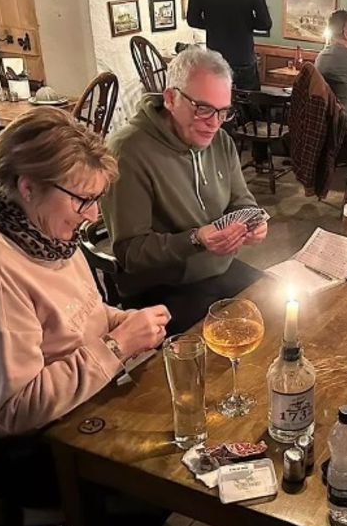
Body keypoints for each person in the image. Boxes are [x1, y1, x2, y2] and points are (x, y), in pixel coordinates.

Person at [0, 108, 170, 501]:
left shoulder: (43, 231)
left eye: (97, 199)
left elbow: (80, 314)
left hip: (71, 409)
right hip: (13, 452)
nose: (93, 215)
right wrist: (117, 345)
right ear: (28, 187)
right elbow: (18, 409)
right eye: (83, 200)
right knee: (161, 470)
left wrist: (125, 322)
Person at [103, 47, 267, 334]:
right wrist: (195, 239)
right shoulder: (128, 151)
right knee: (224, 342)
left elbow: (242, 200)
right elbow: (130, 253)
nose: (214, 124)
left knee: (277, 310)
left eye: (223, 111)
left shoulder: (221, 140)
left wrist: (253, 223)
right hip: (162, 286)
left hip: (218, 269)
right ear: (170, 98)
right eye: (203, 108)